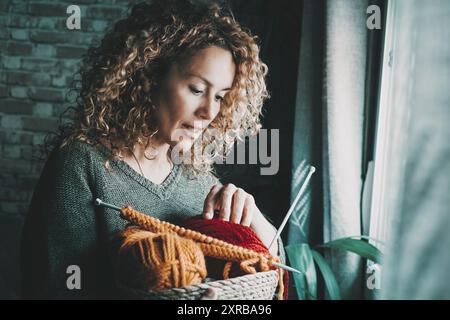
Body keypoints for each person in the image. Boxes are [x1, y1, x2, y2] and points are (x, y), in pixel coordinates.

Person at [20, 0, 284, 299]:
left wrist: (255, 220)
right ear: (149, 76)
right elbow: (60, 288)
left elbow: (273, 270)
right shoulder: (81, 165)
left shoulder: (199, 180)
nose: (209, 111)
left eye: (221, 97)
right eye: (197, 89)